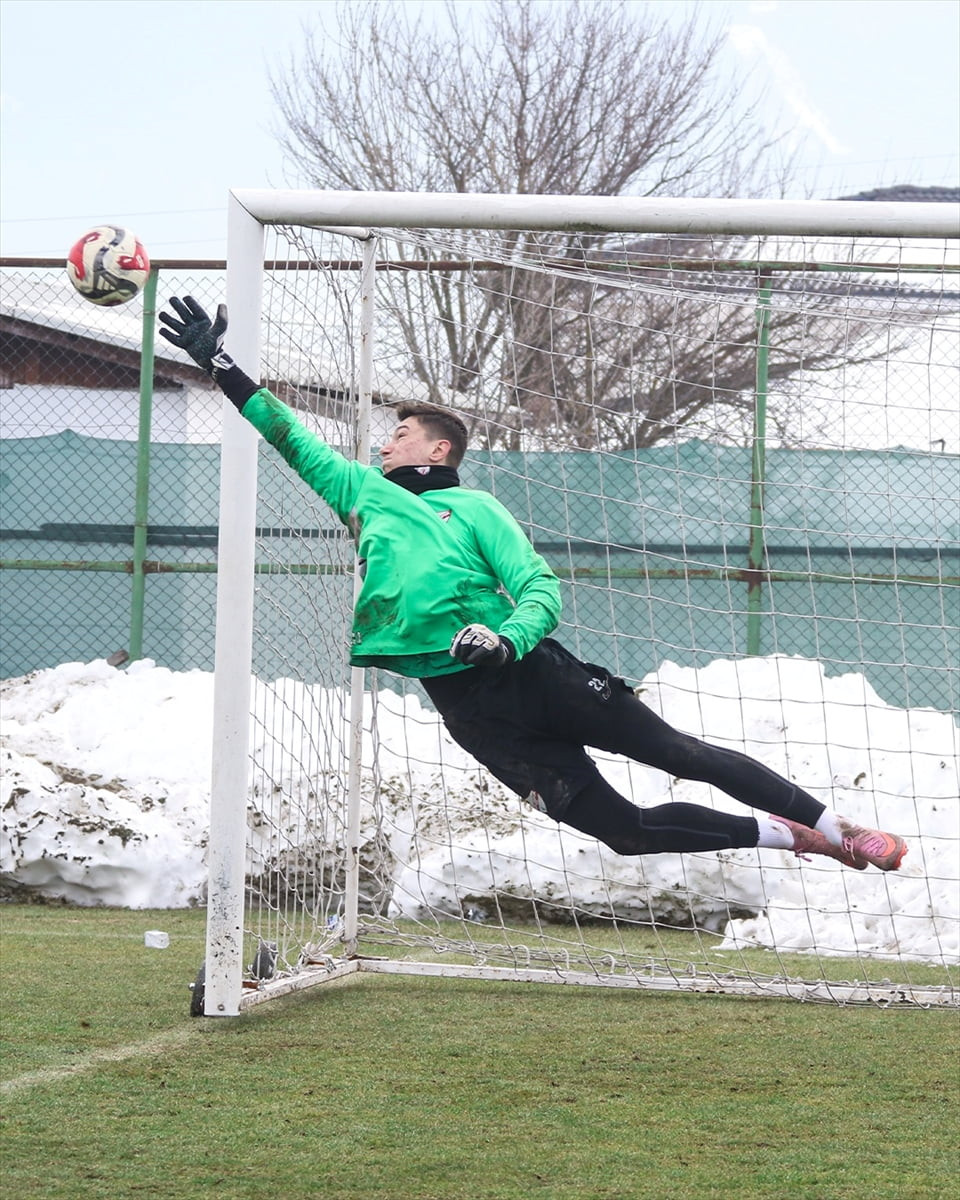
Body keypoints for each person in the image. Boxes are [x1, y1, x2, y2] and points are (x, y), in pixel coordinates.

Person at [159, 296, 908, 872]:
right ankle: (791, 838)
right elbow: (285, 432)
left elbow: (539, 589)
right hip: (475, 713)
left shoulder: (476, 507)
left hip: (538, 677)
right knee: (621, 832)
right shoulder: (361, 490)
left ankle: (844, 829)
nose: (385, 441)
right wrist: (219, 366)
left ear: (437, 448)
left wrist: (504, 639)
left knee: (684, 755)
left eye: (402, 433)